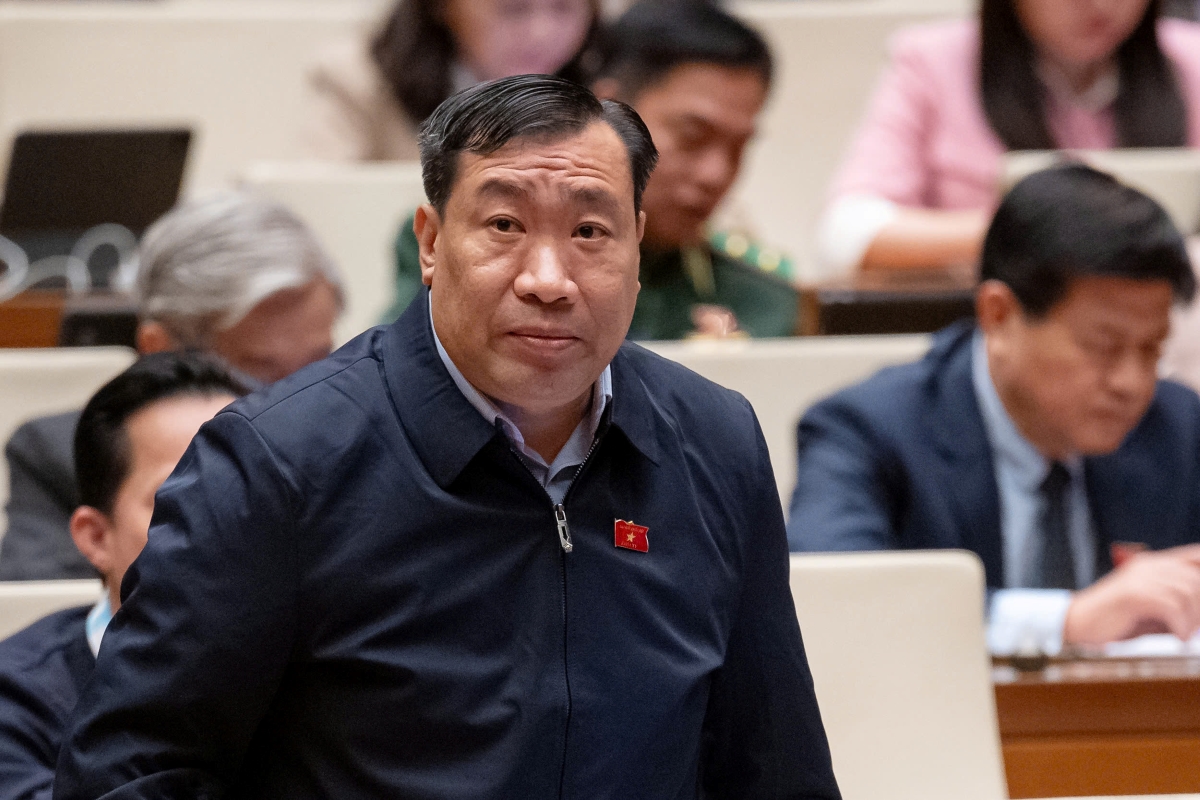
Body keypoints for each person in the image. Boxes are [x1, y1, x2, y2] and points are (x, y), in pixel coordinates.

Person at [54, 75, 840, 798]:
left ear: (636, 245)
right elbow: (131, 770)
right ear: (430, 242)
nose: (548, 279)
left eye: (590, 231)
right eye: (504, 225)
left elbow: (774, 762)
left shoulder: (713, 440)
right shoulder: (278, 461)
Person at [788, 164, 1200, 656]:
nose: (1131, 383)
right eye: (1103, 347)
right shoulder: (868, 430)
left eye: (1152, 349)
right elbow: (835, 602)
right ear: (999, 315)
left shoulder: (1178, 427)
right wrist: (1065, 621)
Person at [381, 1, 798, 339]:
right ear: (612, 112)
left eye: (739, 148)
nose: (715, 174)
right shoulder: (465, 240)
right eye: (693, 137)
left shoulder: (761, 298)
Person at [0, 192, 343, 581]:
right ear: (159, 349)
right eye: (263, 372)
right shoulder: (63, 460)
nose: (301, 400)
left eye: (320, 363)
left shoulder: (372, 441)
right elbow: (46, 606)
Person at [0, 352, 245, 800]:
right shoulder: (16, 699)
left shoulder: (328, 671)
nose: (225, 519)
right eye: (180, 496)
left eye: (246, 490)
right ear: (96, 537)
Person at [819, 0, 1200, 276]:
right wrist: (1040, 230)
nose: (1100, 4)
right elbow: (848, 233)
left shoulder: (1190, 57)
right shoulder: (933, 60)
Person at [304, 0, 602, 161]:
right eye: (514, 9)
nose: (542, 32)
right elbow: (326, 205)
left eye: (564, 8)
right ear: (443, 7)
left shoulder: (605, 86)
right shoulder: (356, 79)